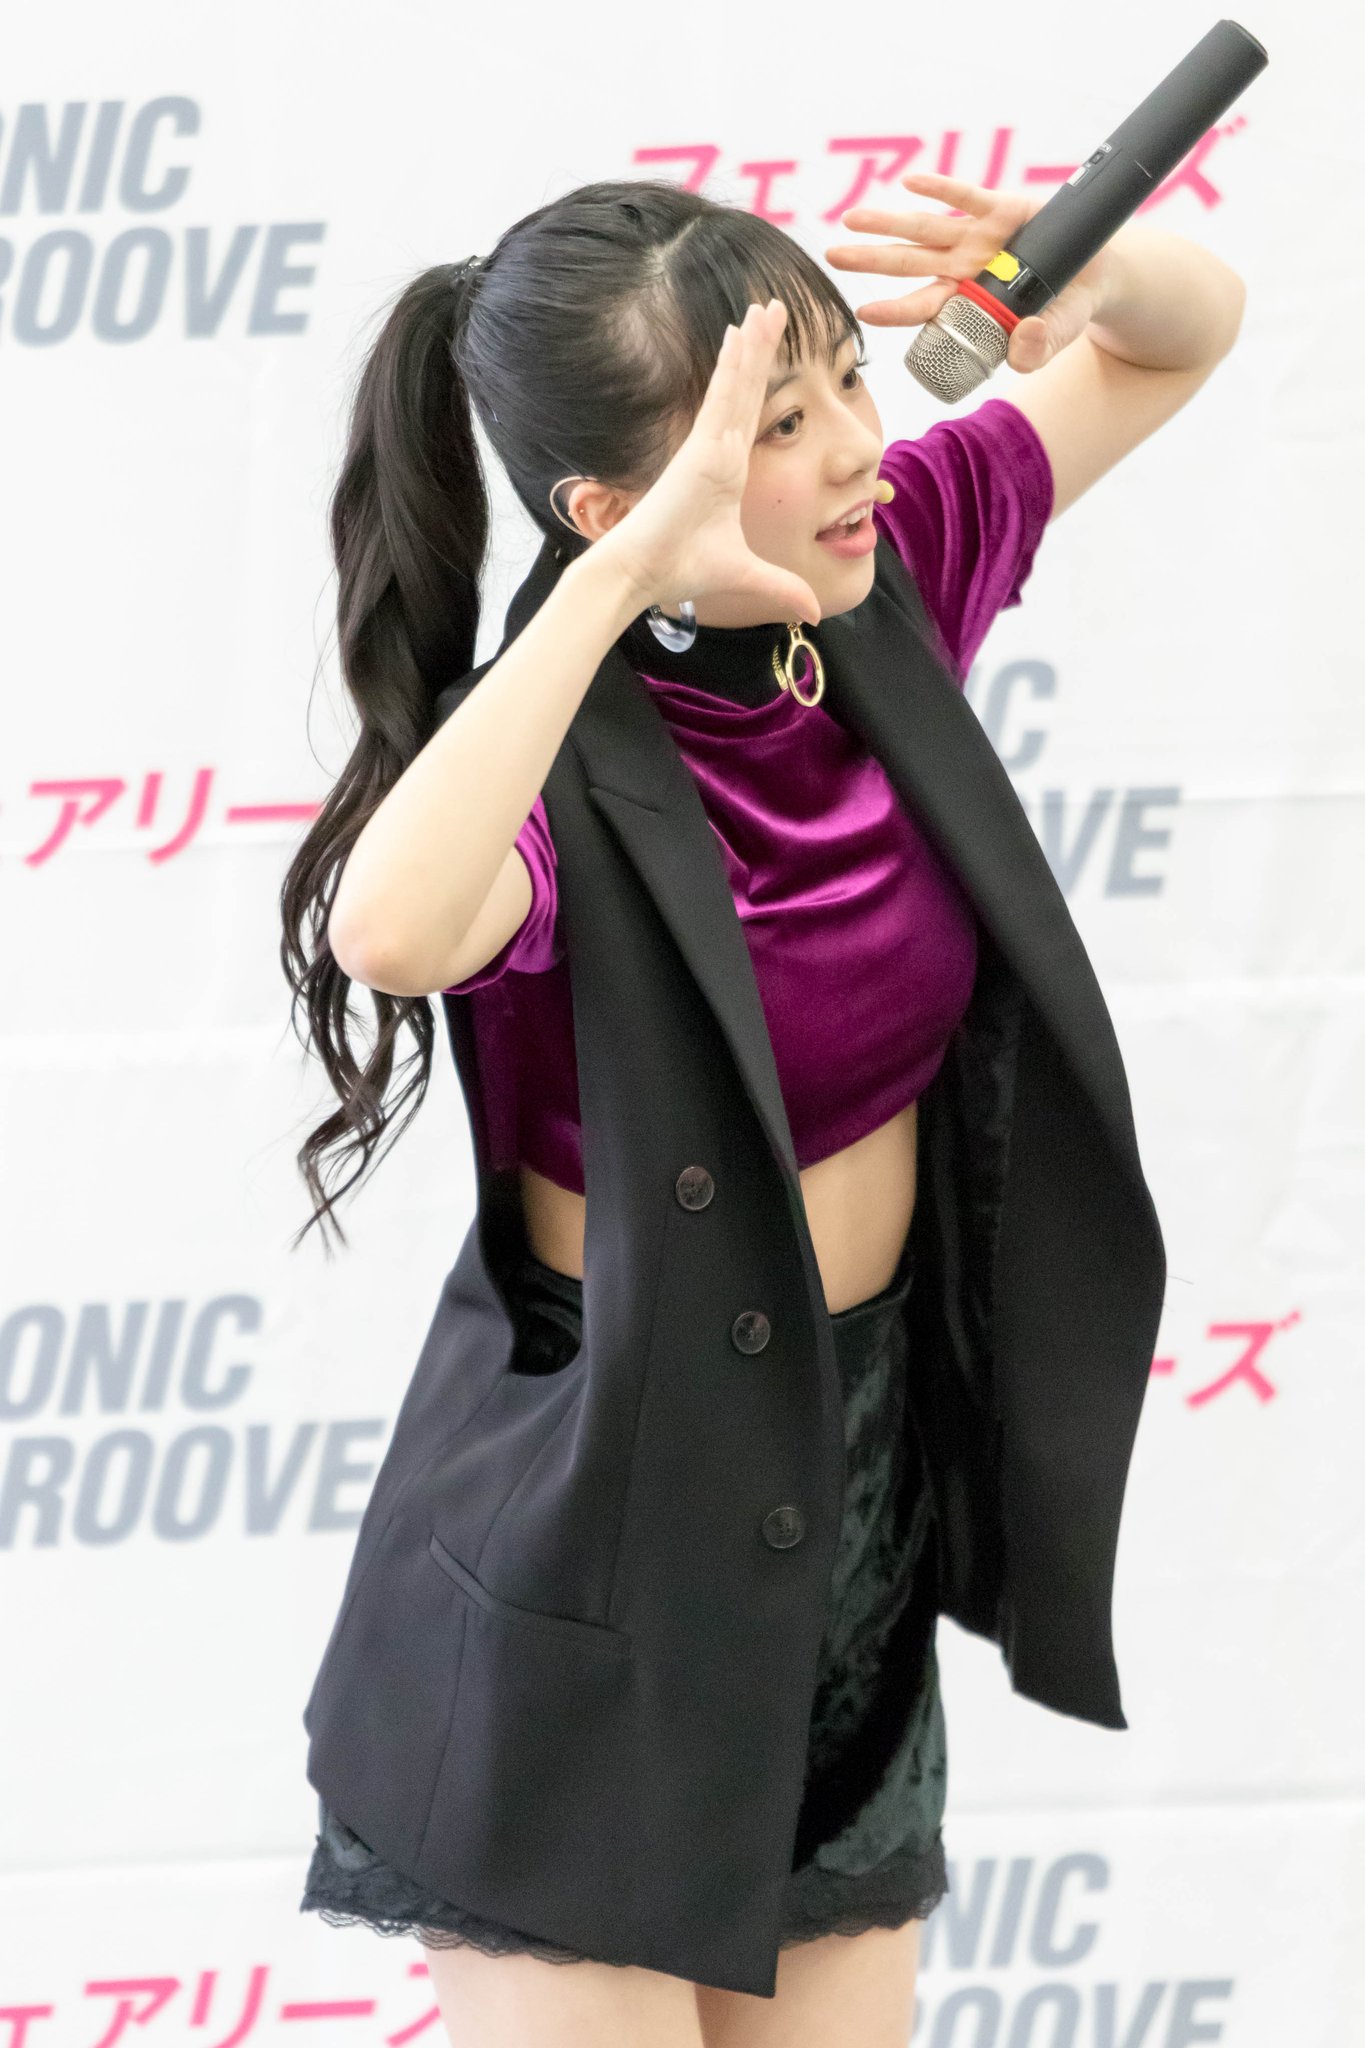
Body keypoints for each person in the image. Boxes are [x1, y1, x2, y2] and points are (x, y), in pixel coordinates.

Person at [280, 176, 1239, 2046]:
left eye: (847, 385)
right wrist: (604, 596)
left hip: (846, 1515)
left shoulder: (882, 584)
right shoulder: (542, 759)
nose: (861, 449)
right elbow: (388, 931)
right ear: (610, 509)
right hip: (600, 1541)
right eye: (778, 426)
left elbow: (1178, 340)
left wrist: (1094, 267)